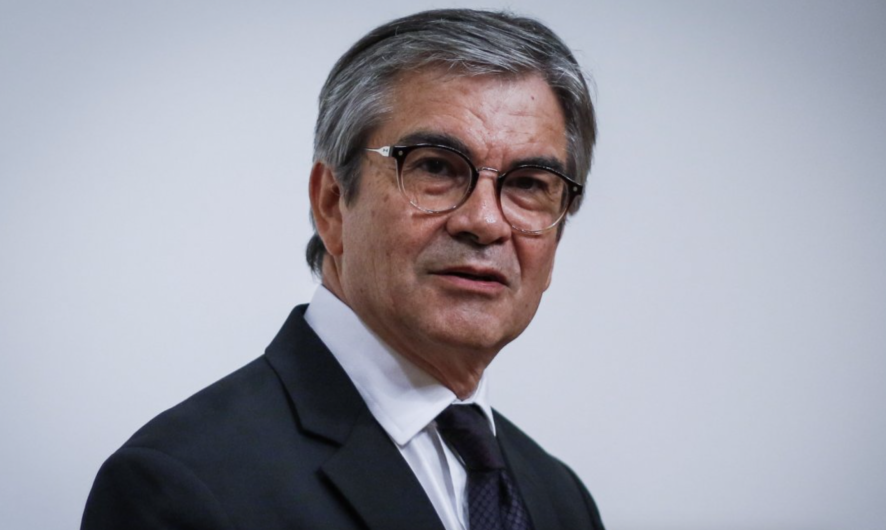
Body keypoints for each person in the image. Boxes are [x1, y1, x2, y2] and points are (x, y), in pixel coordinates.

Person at [81, 8, 603, 530]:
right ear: (332, 203)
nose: (485, 222)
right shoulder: (181, 486)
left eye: (529, 184)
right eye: (435, 167)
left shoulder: (563, 500)